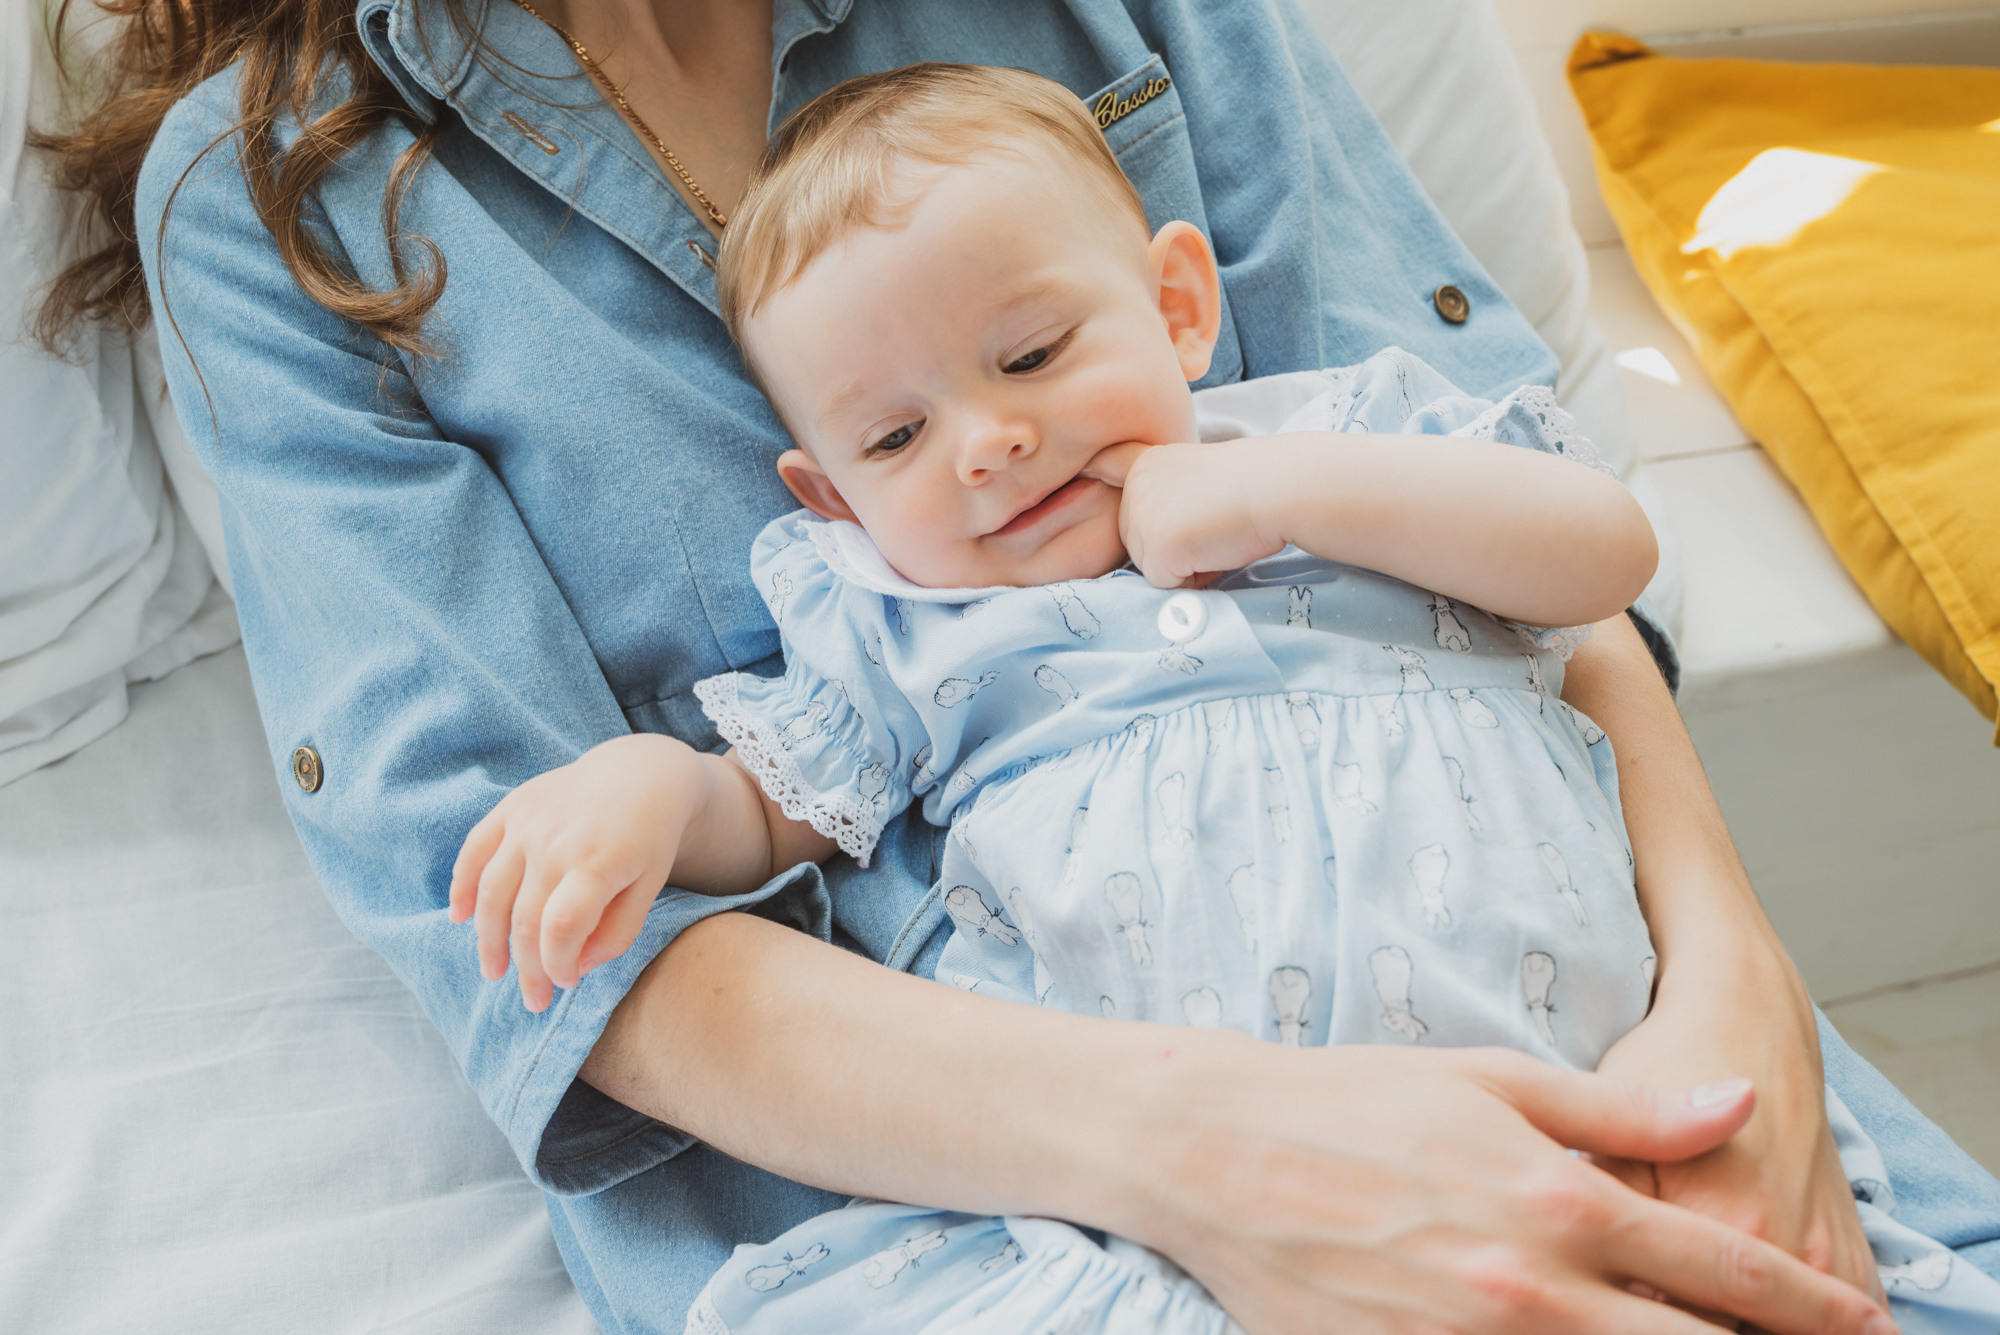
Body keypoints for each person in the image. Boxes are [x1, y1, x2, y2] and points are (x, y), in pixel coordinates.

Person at [34, 0, 1996, 1329]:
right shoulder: (278, 197)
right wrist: (1234, 1164)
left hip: (1570, 997)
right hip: (967, 1195)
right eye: (901, 434)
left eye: (1038, 357)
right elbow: (547, 935)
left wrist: (1730, 1001)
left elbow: (1510, 513)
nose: (985, 449)